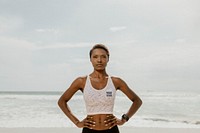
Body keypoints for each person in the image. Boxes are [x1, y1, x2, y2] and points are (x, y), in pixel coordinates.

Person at [58, 44, 142, 133]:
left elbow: (137, 101)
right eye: (95, 57)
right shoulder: (81, 81)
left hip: (111, 130)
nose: (99, 60)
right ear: (90, 59)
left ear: (108, 59)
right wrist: (77, 122)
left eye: (103, 57)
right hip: (89, 130)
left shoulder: (116, 81)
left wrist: (124, 119)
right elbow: (62, 101)